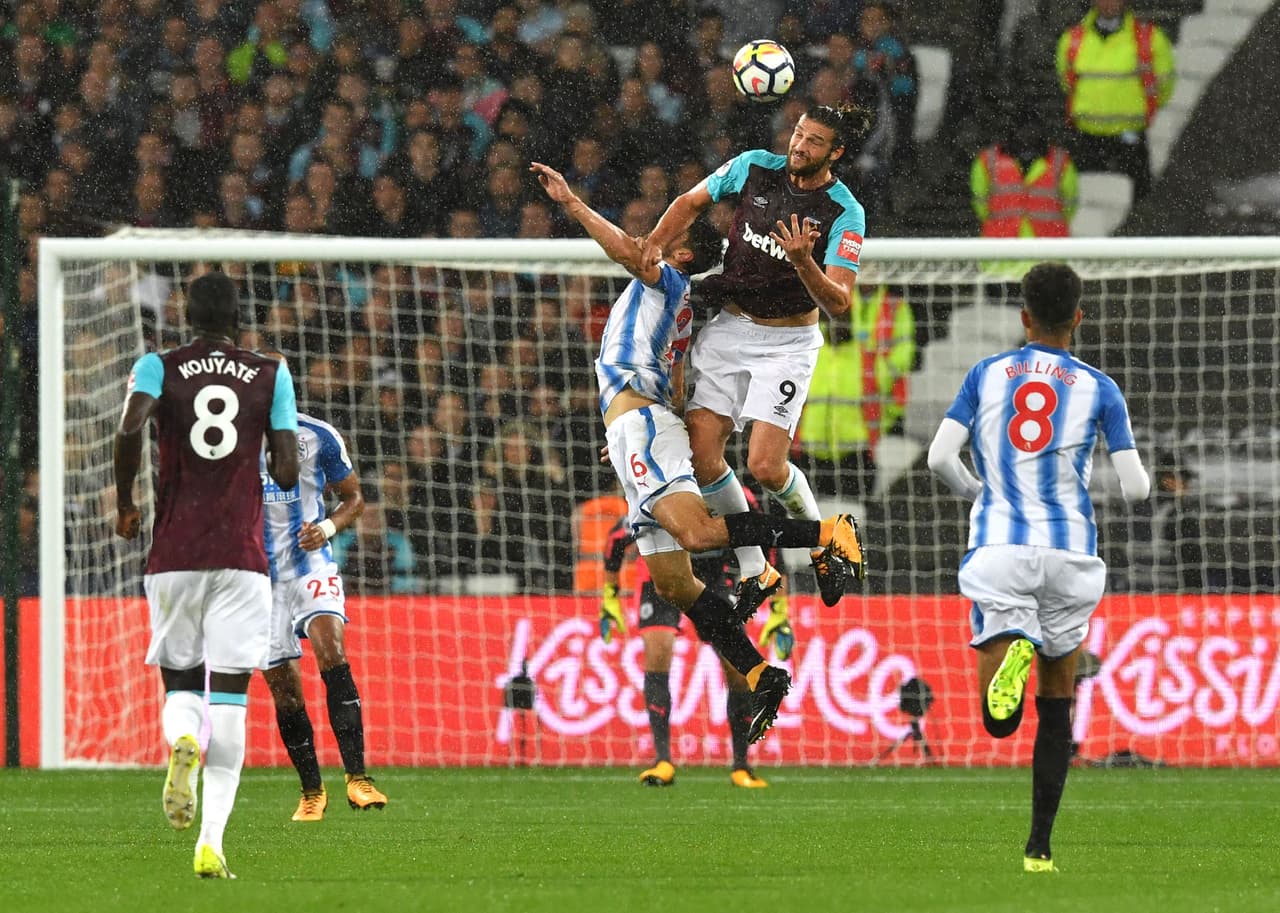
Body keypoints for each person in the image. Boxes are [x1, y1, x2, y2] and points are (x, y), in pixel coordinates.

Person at [531, 160, 864, 745]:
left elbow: (628, 251)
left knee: (702, 535)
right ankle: (763, 673)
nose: (650, 240)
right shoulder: (681, 302)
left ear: (680, 257)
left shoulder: (666, 281)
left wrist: (572, 205)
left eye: (665, 239)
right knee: (675, 584)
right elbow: (676, 380)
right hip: (635, 428)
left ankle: (825, 534)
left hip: (641, 426)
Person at [926, 262, 1150, 872]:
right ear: (1078, 317)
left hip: (1000, 547)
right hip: (1071, 554)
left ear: (1023, 318)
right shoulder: (1101, 388)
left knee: (999, 724)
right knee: (1057, 705)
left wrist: (980, 492)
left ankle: (1015, 646)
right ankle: (1039, 848)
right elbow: (1134, 489)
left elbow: (939, 456)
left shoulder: (986, 374)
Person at [643, 103, 872, 614]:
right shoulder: (752, 166)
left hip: (787, 345)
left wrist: (802, 261)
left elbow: (838, 302)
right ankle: (756, 569)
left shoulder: (844, 212)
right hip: (730, 328)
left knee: (767, 467)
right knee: (703, 460)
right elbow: (690, 201)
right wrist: (653, 245)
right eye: (798, 133)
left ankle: (824, 543)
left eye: (814, 141)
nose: (799, 145)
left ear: (835, 152)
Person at [114, 271, 300, 879]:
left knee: (180, 684)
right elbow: (288, 469)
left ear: (185, 314)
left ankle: (179, 743)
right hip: (241, 557)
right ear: (238, 316)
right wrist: (269, 453)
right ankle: (212, 842)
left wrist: (125, 503)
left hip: (173, 552)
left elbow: (129, 427)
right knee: (231, 699)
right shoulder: (271, 373)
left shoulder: (156, 366)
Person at [599, 493, 792, 788]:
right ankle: (662, 761)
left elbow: (768, 542)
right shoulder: (659, 487)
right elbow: (616, 540)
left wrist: (780, 609)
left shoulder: (731, 491)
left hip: (714, 576)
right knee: (658, 649)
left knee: (738, 669)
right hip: (661, 575)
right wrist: (609, 597)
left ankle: (741, 766)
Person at [258, 400, 389, 822]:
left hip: (312, 567)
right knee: (285, 690)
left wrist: (327, 528)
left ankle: (358, 778)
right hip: (258, 582)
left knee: (331, 650)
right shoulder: (230, 439)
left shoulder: (318, 434)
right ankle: (312, 791)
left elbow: (353, 498)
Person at [798, 284, 915, 499]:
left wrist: (877, 431)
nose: (838, 324)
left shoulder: (868, 361)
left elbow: (884, 404)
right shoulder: (811, 354)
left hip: (856, 453)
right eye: (832, 318)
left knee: (854, 519)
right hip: (810, 451)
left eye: (845, 318)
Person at [1056, 0, 1174, 200]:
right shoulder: (1073, 39)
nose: (1109, 3)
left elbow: (1164, 85)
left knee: (1135, 207)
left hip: (1129, 139)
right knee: (1086, 205)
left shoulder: (1149, 38)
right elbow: (1066, 81)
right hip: (1086, 139)